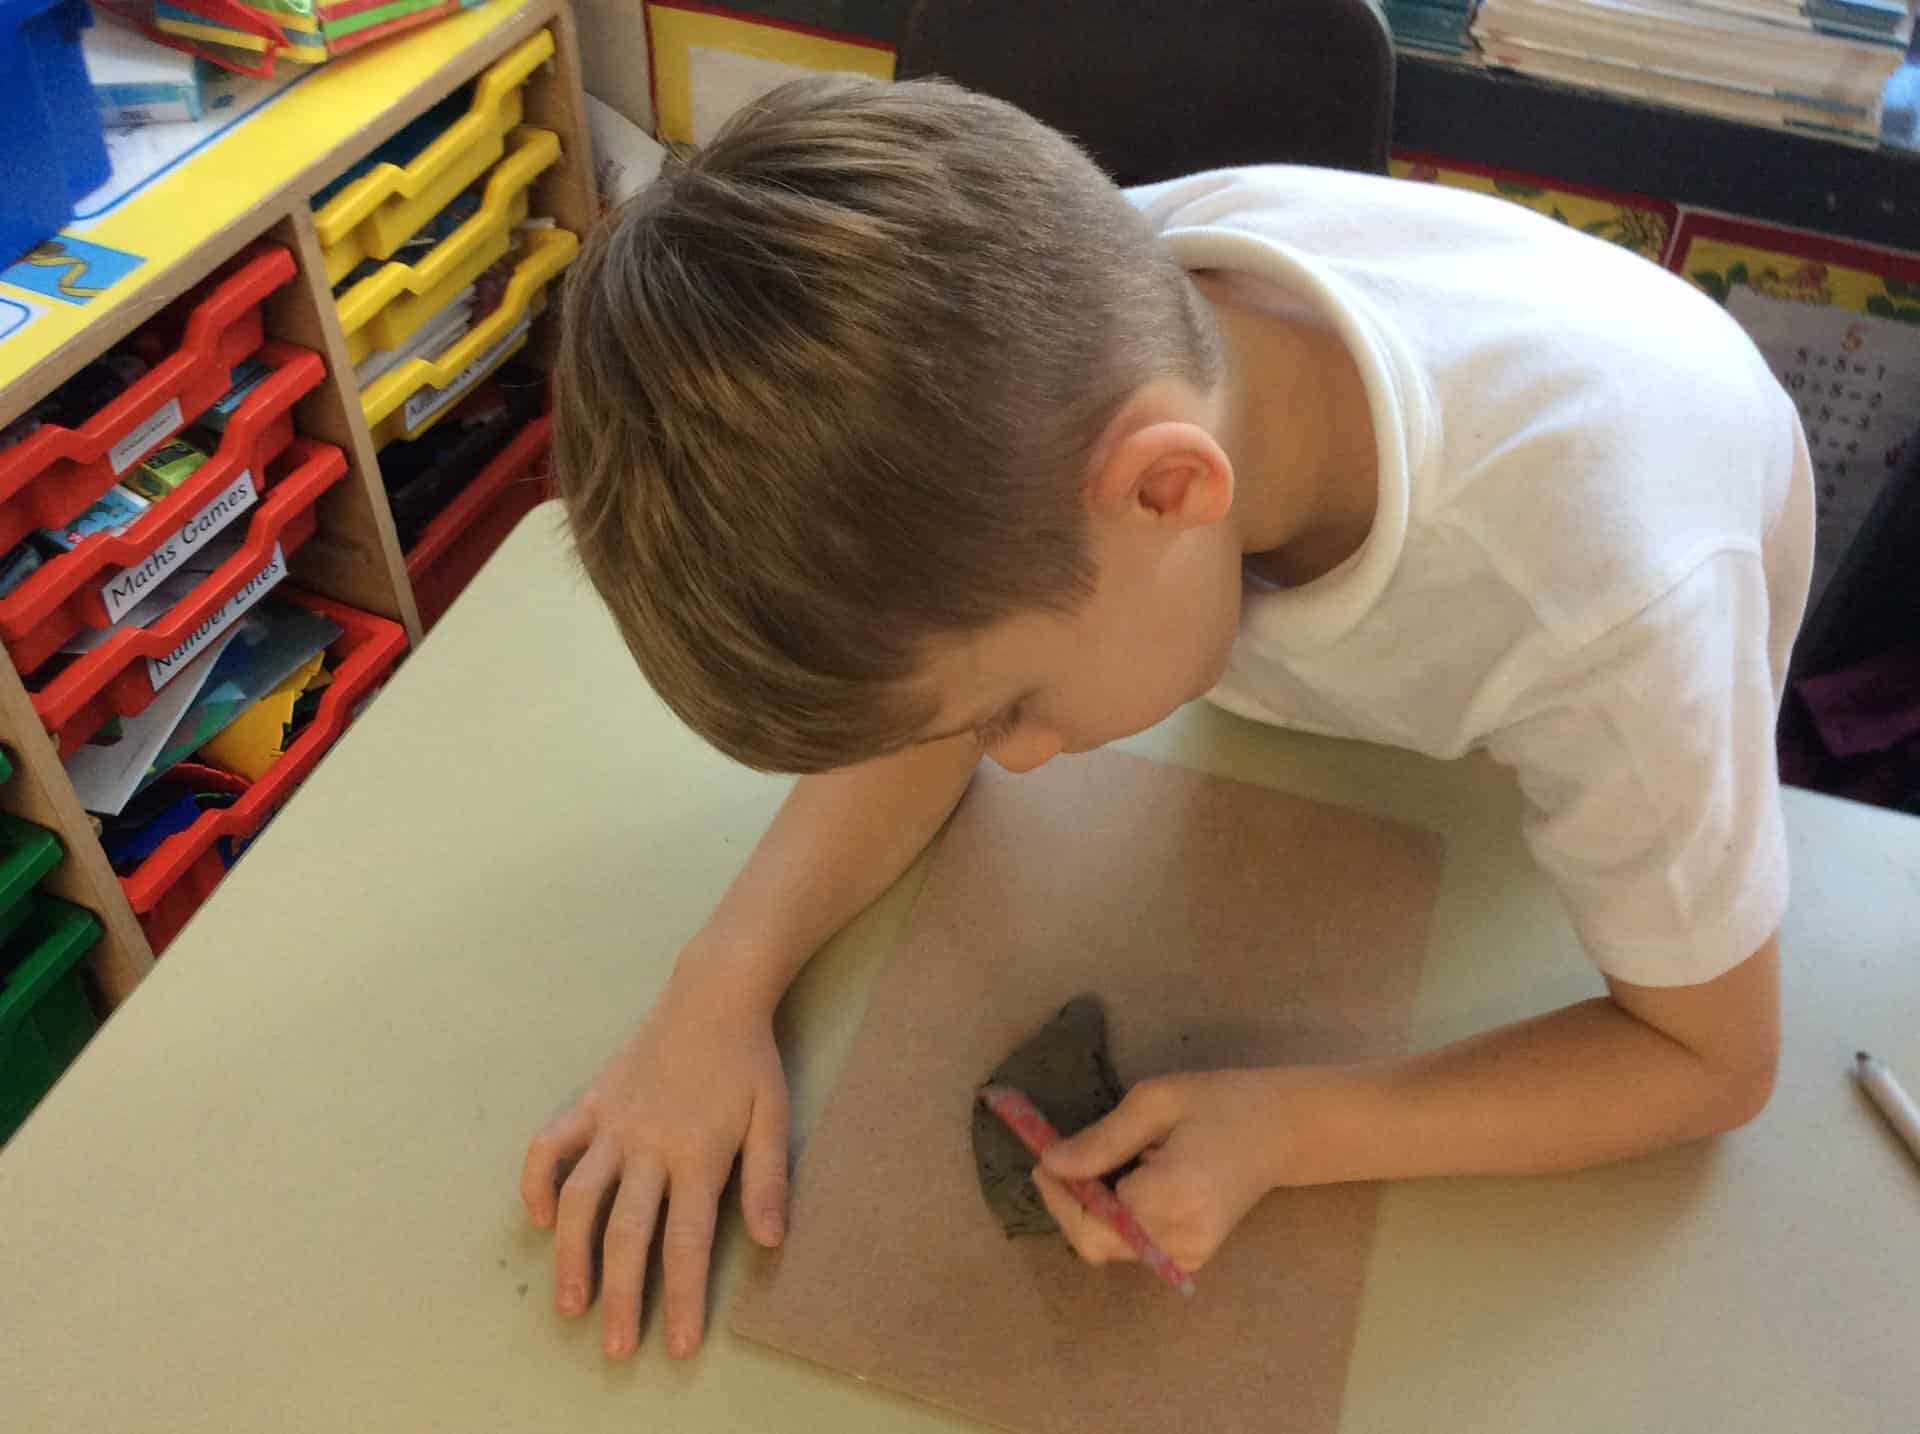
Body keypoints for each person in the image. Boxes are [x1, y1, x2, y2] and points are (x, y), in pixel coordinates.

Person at [523, 75, 1811, 1362]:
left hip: (1558, 737)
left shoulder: (1607, 612)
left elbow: (1706, 1057)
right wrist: (719, 986)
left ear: (1167, 491)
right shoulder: (1058, 335)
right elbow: (934, 680)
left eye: (1011, 711)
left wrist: (1297, 1129)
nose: (1013, 761)